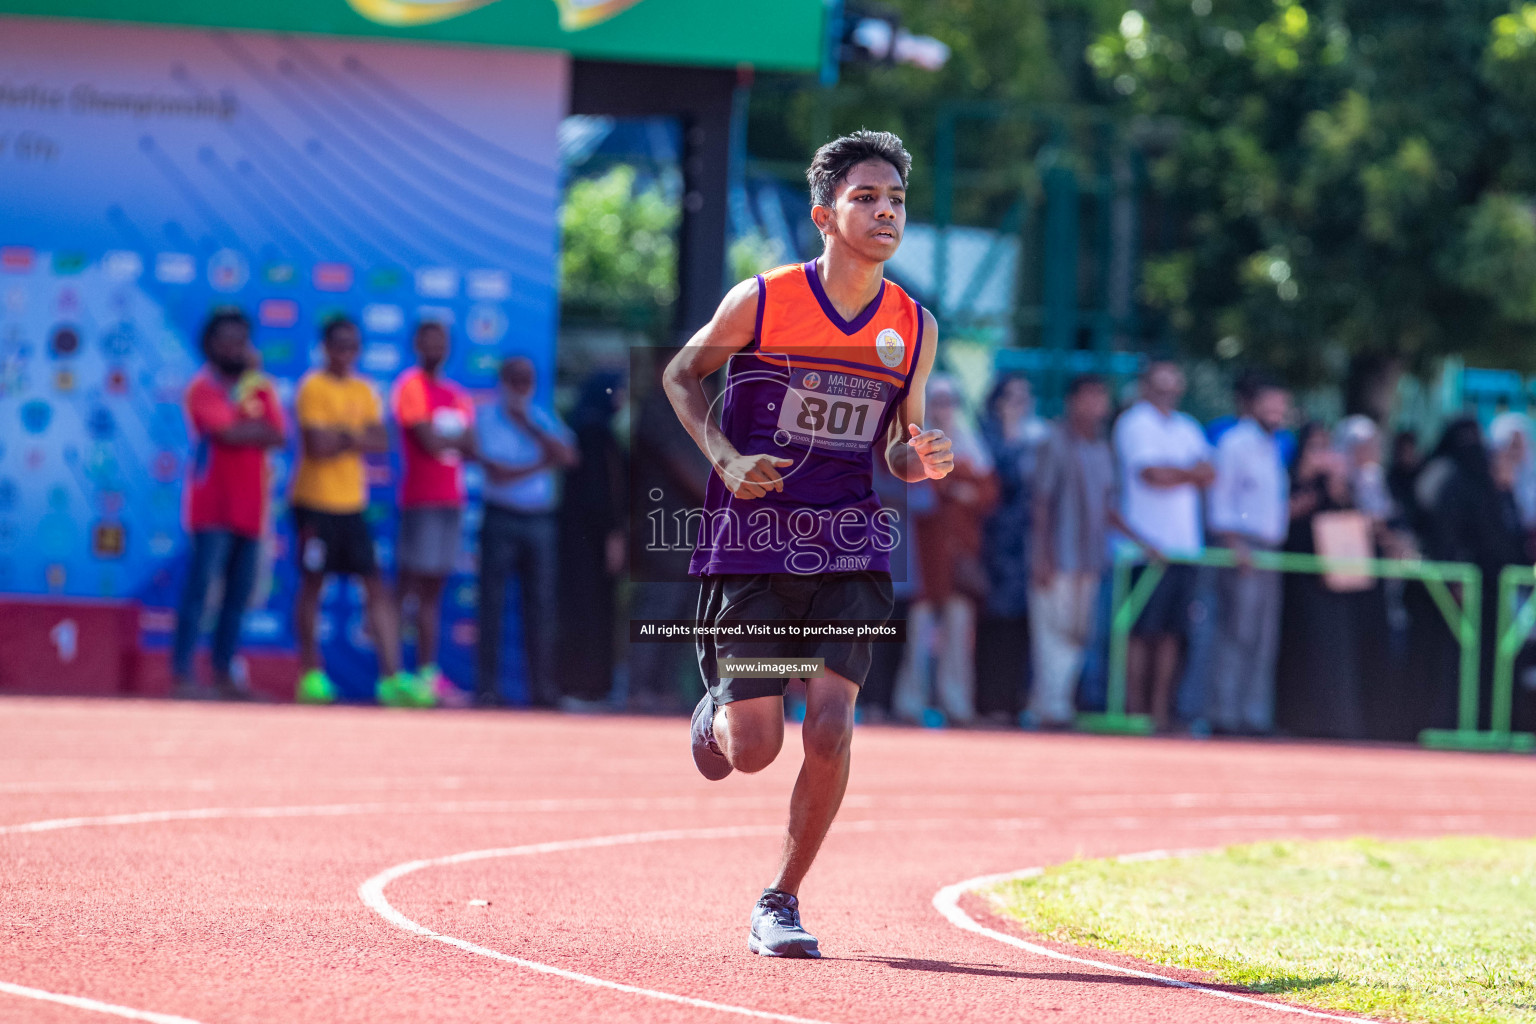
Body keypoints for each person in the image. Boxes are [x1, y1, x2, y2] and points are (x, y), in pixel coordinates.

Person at [663, 130, 950, 958]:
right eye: (866, 198)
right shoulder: (763, 299)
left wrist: (916, 456)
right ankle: (718, 712)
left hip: (852, 540)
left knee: (829, 727)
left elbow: (901, 441)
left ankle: (780, 901)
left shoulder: (913, 326)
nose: (885, 212)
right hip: (754, 539)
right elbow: (682, 375)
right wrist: (723, 454)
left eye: (896, 200)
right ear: (824, 214)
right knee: (754, 751)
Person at [290, 317, 411, 704]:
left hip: (352, 504)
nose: (345, 353)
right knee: (313, 585)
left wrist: (341, 435)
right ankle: (311, 676)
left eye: (352, 346)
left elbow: (382, 440)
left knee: (375, 586)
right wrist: (355, 436)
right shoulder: (312, 387)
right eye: (338, 345)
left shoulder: (366, 388)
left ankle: (391, 679)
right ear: (324, 347)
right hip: (313, 502)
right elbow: (317, 447)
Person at [1028, 374, 1154, 728]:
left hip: (1091, 558)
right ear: (1073, 400)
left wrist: (1144, 541)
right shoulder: (1054, 442)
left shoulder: (1102, 447)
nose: (1097, 406)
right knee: (1052, 634)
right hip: (1059, 554)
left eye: (1102, 398)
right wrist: (1042, 555)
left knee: (1078, 635)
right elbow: (1041, 503)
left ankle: (1056, 703)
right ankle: (1050, 708)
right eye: (1090, 398)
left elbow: (1108, 506)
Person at [172, 310, 286, 700]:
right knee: (200, 592)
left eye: (242, 340)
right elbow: (226, 431)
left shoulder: (260, 387)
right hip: (211, 509)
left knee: (237, 599)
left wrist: (245, 428)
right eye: (226, 340)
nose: (234, 348)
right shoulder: (202, 387)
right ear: (210, 346)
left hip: (251, 509)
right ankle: (183, 675)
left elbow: (276, 433)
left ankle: (224, 676)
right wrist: (246, 429)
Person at [1112, 361, 1213, 731]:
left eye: (1173, 386)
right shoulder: (1134, 422)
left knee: (1173, 633)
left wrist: (1177, 473)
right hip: (1142, 548)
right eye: (1160, 385)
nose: (1168, 392)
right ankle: (1134, 710)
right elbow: (1151, 475)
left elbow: (1209, 474)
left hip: (1184, 548)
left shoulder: (1187, 426)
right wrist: (1190, 473)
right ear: (1146, 387)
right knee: (1140, 632)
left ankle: (1159, 713)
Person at [892, 375, 997, 725]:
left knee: (958, 637)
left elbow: (988, 494)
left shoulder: (972, 442)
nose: (944, 407)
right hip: (924, 559)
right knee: (918, 637)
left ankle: (957, 704)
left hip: (961, 558)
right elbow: (920, 491)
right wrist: (958, 486)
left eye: (950, 400)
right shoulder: (915, 440)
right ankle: (910, 703)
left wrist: (960, 487)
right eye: (937, 400)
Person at [473, 356, 577, 708]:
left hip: (539, 521)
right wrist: (540, 463)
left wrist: (529, 427)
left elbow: (568, 456)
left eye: (527, 379)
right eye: (514, 379)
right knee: (492, 604)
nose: (521, 386)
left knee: (541, 606)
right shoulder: (486, 417)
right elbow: (497, 473)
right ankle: (487, 688)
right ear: (502, 380)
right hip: (500, 516)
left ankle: (542, 691)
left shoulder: (541, 415)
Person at [389, 321, 476, 708]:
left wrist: (449, 440)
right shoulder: (410, 386)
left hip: (450, 500)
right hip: (420, 499)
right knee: (406, 588)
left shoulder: (456, 395)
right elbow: (427, 440)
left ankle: (426, 675)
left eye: (441, 340)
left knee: (432, 593)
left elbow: (471, 445)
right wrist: (450, 439)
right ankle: (394, 677)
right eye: (427, 340)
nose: (434, 346)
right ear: (416, 344)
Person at [1206, 376, 1292, 736]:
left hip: (1270, 549)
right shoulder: (1234, 443)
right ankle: (1223, 714)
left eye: (1281, 407)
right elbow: (1221, 500)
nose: (1276, 413)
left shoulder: (1273, 446)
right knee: (1235, 632)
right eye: (1269, 405)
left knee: (1262, 636)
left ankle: (1253, 715)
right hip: (1241, 546)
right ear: (1251, 405)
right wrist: (1233, 545)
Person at [976, 372, 1046, 722]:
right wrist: (1009, 431)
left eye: (1025, 398)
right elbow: (1000, 479)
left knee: (1021, 624)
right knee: (992, 622)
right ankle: (988, 702)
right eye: (1012, 398)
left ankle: (1014, 701)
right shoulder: (985, 436)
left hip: (1026, 546)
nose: (1020, 405)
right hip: (991, 544)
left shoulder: (1038, 437)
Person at [556, 369, 628, 709]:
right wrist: (614, 533)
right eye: (618, 391)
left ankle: (583, 684)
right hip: (592, 539)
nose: (622, 399)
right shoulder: (595, 432)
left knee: (583, 608)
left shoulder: (582, 427)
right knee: (591, 611)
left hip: (577, 537)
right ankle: (588, 686)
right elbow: (602, 492)